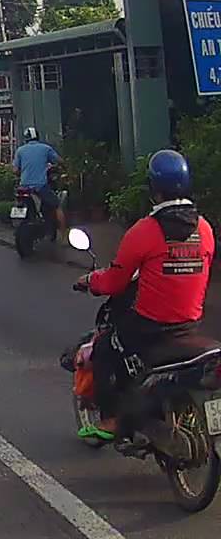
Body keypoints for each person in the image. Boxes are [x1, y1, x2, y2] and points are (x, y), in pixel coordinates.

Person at [74, 149, 215, 441]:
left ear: (153, 188)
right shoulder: (205, 229)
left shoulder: (144, 231)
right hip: (189, 324)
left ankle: (112, 420)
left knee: (104, 348)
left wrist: (90, 280)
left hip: (149, 326)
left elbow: (114, 281)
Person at [12, 127, 65, 237]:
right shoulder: (45, 148)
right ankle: (63, 235)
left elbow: (15, 170)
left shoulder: (20, 150)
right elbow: (60, 161)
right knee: (57, 206)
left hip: (23, 187)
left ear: (26, 139)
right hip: (40, 186)